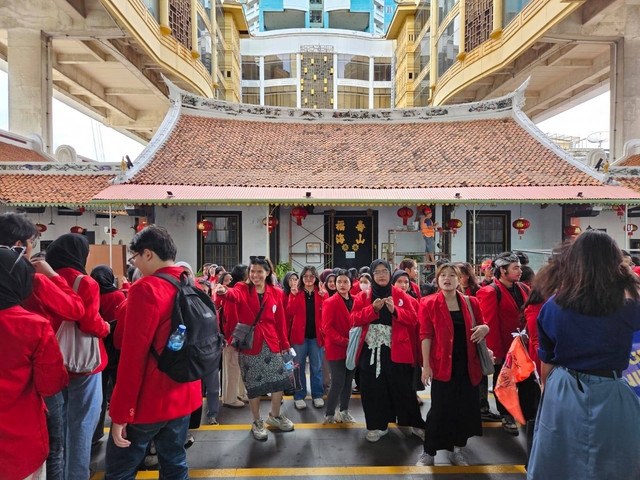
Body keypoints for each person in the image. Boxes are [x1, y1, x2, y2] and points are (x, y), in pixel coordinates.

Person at [528, 230, 640, 479]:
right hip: (610, 390)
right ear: (615, 263)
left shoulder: (552, 307)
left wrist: (550, 396)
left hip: (562, 387)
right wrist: (628, 281)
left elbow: (546, 363)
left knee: (559, 460)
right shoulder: (628, 307)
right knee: (612, 462)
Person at [105, 226, 202, 478]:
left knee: (120, 470)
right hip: (183, 395)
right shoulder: (189, 283)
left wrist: (120, 412)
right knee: (175, 463)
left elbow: (132, 355)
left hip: (148, 401)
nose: (134, 263)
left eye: (134, 257)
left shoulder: (146, 289)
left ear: (148, 254)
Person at [0, 213, 85, 480]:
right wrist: (52, 276)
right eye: (32, 244)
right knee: (54, 449)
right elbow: (76, 309)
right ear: (20, 245)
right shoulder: (33, 281)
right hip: (25, 410)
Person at [45, 233, 111, 480]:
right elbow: (90, 324)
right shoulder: (85, 282)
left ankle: (58, 474)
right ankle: (77, 474)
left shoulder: (41, 279)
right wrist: (106, 328)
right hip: (83, 365)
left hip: (50, 361)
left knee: (58, 425)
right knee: (82, 424)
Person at [416, 263, 488, 466]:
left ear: (460, 280)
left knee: (463, 408)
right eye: (443, 275)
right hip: (442, 365)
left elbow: (481, 326)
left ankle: (457, 449)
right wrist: (427, 366)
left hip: (468, 365)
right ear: (437, 280)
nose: (447, 278)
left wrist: (486, 328)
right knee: (439, 409)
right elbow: (426, 335)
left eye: (452, 275)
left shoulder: (471, 302)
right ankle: (429, 451)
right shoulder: (429, 303)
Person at [214, 257, 294, 441]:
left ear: (267, 273)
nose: (255, 275)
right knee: (254, 385)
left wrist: (284, 344)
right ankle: (257, 421)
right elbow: (232, 295)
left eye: (259, 271)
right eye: (252, 271)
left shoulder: (276, 293)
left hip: (271, 342)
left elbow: (280, 321)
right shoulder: (243, 288)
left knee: (279, 379)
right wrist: (223, 290)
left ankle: (274, 416)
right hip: (250, 344)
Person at [350, 259, 425, 443]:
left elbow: (413, 319)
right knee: (373, 389)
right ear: (372, 275)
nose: (381, 275)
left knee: (403, 388)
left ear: (390, 273)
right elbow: (354, 319)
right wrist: (372, 309)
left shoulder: (401, 295)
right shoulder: (363, 296)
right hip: (370, 350)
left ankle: (413, 423)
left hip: (397, 348)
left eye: (385, 271)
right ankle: (378, 425)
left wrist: (395, 311)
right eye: (377, 272)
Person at [476, 252, 530, 435]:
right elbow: (489, 324)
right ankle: (506, 415)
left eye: (520, 268)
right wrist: (496, 352)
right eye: (515, 268)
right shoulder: (490, 291)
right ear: (502, 270)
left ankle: (528, 414)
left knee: (527, 382)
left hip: (523, 345)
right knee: (505, 382)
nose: (519, 271)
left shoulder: (523, 288)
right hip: (505, 347)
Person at [90, 265, 127, 446]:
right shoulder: (119, 296)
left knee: (99, 396)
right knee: (119, 393)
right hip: (117, 350)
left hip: (97, 351)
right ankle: (121, 429)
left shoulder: (91, 295)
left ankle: (96, 434)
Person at [287, 266, 327, 409]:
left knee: (316, 368)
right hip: (299, 337)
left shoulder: (322, 293)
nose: (309, 279)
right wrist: (292, 295)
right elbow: (290, 312)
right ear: (301, 278)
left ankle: (317, 395)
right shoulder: (296, 293)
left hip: (317, 337)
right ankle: (299, 395)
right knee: (298, 367)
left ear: (316, 278)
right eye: (306, 276)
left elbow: (326, 313)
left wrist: (324, 298)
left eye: (311, 276)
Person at [321, 269, 356, 424]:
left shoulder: (356, 300)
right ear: (334, 284)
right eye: (339, 282)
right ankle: (329, 414)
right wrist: (344, 340)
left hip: (352, 348)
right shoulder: (329, 302)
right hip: (336, 348)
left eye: (345, 281)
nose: (342, 285)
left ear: (351, 283)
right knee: (338, 382)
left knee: (349, 382)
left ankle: (344, 411)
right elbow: (327, 328)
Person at [391, 270, 423, 405]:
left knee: (411, 374)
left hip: (410, 344)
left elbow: (418, 325)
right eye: (399, 281)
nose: (403, 285)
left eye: (406, 282)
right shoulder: (387, 300)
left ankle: (412, 396)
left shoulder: (413, 302)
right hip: (394, 346)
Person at [219, 264, 249, 408]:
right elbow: (230, 317)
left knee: (238, 367)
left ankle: (240, 394)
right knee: (232, 368)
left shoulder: (241, 289)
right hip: (234, 336)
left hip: (239, 335)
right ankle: (230, 398)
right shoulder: (236, 290)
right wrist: (231, 338)